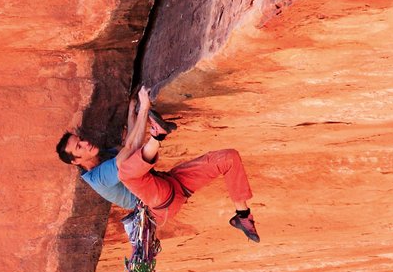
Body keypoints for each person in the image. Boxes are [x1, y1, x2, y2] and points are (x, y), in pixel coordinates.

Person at [56, 86, 259, 241]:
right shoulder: (96, 178)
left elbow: (130, 144)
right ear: (77, 161)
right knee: (126, 171)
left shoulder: (105, 155)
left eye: (80, 140)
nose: (85, 143)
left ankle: (242, 216)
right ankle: (157, 136)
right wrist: (144, 108)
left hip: (172, 185)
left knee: (228, 158)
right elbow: (131, 149)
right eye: (79, 148)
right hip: (156, 205)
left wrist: (132, 109)